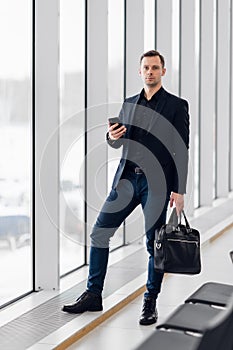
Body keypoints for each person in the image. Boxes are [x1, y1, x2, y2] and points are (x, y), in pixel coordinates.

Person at [62, 50, 190, 325]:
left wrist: (179, 191)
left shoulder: (177, 106)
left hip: (157, 184)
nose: (150, 72)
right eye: (146, 67)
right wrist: (111, 136)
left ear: (163, 72)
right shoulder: (129, 103)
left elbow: (182, 149)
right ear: (140, 71)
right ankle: (93, 294)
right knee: (99, 233)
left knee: (153, 244)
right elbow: (118, 143)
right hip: (127, 179)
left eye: (155, 68)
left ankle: (150, 300)